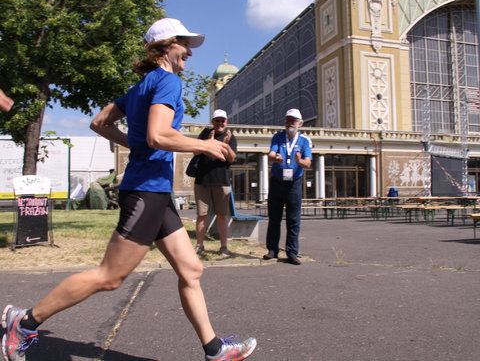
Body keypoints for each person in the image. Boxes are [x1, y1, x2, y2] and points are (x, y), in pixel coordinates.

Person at [1, 18, 256, 361]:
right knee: (110, 277)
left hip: (156, 192)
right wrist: (203, 146)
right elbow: (158, 135)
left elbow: (99, 122)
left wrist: (133, 144)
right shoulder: (167, 81)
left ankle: (215, 350)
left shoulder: (141, 86)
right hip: (145, 192)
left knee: (191, 270)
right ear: (166, 46)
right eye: (185, 45)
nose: (190, 53)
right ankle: (26, 322)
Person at [263, 108, 312, 265]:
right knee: (274, 218)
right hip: (277, 181)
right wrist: (276, 158)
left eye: (293, 120)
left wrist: (299, 162)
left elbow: (308, 163)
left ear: (300, 123)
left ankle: (292, 252)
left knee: (293, 220)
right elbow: (271, 154)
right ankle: (272, 250)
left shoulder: (305, 141)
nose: (290, 123)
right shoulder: (278, 137)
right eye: (288, 120)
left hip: (294, 184)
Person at [193, 109, 237, 257]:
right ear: (213, 122)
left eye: (222, 120)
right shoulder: (205, 134)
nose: (220, 123)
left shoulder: (231, 137)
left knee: (222, 216)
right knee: (201, 215)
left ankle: (224, 247)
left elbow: (231, 159)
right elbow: (195, 152)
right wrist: (208, 142)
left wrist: (226, 145)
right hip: (202, 181)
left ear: (226, 122)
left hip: (221, 182)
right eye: (217, 120)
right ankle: (199, 245)